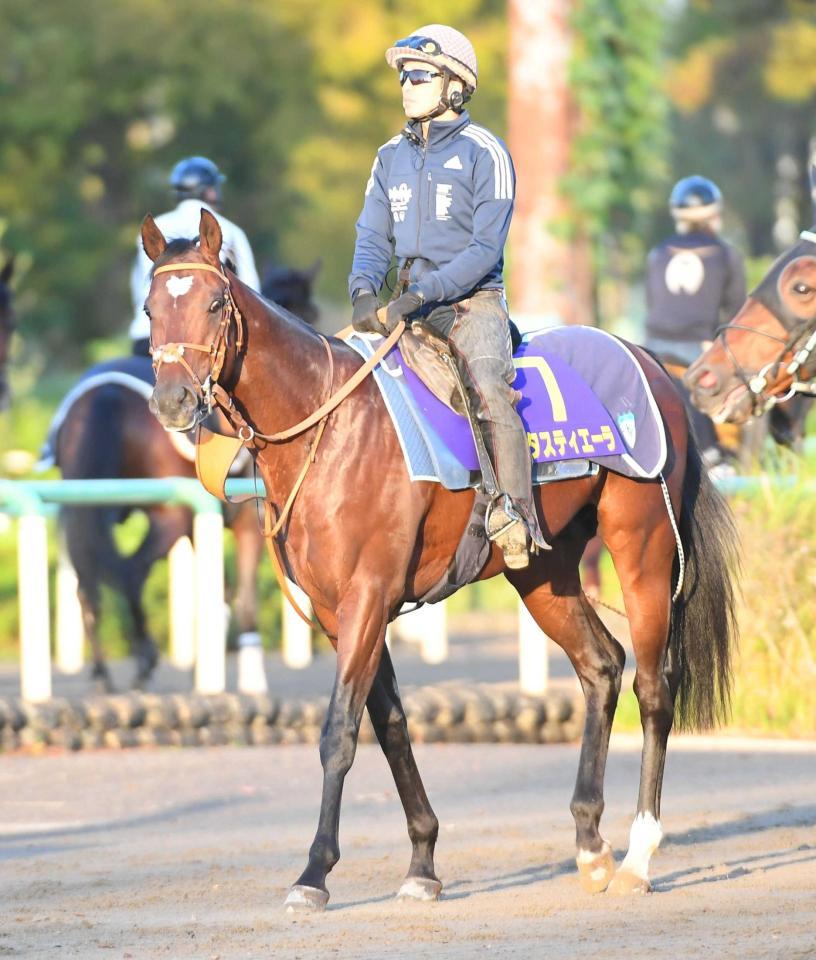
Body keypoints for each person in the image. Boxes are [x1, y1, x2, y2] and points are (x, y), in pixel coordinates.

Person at [348, 24, 546, 569]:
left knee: (488, 385)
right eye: (403, 76)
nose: (406, 86)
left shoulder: (487, 152)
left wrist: (425, 293)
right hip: (405, 304)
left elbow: (485, 250)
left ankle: (514, 512)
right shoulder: (388, 156)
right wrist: (362, 289)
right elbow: (371, 236)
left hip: (470, 304)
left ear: (455, 86)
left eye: (419, 75)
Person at [644, 175, 747, 465]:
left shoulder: (657, 253)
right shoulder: (726, 255)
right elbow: (737, 314)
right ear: (715, 214)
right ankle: (722, 453)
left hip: (653, 347)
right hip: (699, 348)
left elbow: (652, 302)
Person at [129, 156, 260, 356]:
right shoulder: (230, 231)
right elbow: (253, 295)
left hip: (148, 337)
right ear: (209, 191)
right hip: (206, 341)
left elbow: (139, 287)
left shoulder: (153, 229)